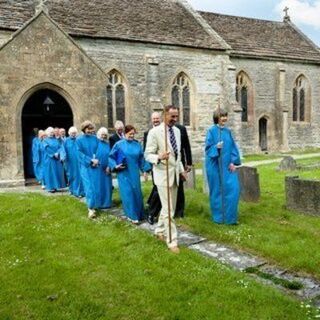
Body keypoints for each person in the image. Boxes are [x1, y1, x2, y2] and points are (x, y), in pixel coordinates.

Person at [145, 105, 186, 253]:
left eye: (176, 116)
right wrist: (159, 157)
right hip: (162, 175)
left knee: (169, 208)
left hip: (174, 175)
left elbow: (178, 154)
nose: (175, 119)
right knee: (169, 211)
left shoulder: (177, 131)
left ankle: (159, 231)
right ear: (164, 116)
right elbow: (147, 154)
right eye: (172, 116)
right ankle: (171, 241)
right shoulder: (154, 132)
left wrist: (181, 170)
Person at [205, 108, 241, 225]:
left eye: (225, 116)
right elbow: (208, 149)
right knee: (217, 191)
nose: (224, 118)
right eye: (222, 116)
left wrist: (233, 162)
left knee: (233, 189)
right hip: (215, 166)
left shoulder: (227, 132)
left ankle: (230, 218)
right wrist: (216, 147)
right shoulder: (211, 131)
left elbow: (233, 148)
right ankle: (219, 218)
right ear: (217, 118)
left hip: (227, 166)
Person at [109, 125, 151, 224]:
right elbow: (111, 157)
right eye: (130, 134)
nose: (132, 136)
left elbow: (141, 159)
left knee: (136, 193)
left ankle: (139, 214)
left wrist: (145, 170)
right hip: (123, 173)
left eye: (133, 134)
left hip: (134, 173)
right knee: (127, 193)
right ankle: (131, 215)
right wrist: (115, 166)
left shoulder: (137, 145)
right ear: (125, 133)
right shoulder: (118, 144)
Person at [76, 120, 101, 219]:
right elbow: (79, 154)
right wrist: (90, 161)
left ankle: (95, 204)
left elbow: (98, 150)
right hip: (86, 167)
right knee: (89, 187)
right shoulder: (79, 140)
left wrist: (97, 160)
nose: (90, 131)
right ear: (84, 129)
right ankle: (90, 209)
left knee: (95, 186)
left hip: (95, 166)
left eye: (92, 129)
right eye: (88, 129)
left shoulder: (95, 139)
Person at [143, 112, 162, 224]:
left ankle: (152, 207)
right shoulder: (147, 133)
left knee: (160, 189)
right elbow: (146, 152)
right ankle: (151, 213)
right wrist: (146, 168)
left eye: (157, 118)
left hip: (166, 165)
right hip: (155, 165)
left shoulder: (166, 131)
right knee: (157, 188)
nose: (155, 120)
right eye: (154, 118)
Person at [174, 123, 193, 218]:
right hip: (166, 162)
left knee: (180, 187)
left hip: (179, 162)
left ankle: (179, 212)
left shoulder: (181, 129)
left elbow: (186, 146)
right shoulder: (161, 129)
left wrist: (189, 162)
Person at [42, 127, 66, 192]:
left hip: (57, 158)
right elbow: (46, 148)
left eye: (52, 132)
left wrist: (58, 153)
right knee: (50, 173)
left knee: (57, 172)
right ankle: (51, 188)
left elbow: (60, 147)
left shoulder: (56, 140)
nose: (51, 134)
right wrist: (53, 154)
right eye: (50, 132)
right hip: (49, 159)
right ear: (47, 133)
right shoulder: (45, 140)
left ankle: (56, 186)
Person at [64, 127, 85, 198]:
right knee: (71, 176)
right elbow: (63, 150)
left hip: (79, 161)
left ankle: (79, 192)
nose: (73, 134)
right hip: (70, 162)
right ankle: (71, 190)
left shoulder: (79, 140)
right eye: (72, 133)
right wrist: (63, 157)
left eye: (75, 133)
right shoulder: (66, 141)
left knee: (78, 176)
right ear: (69, 133)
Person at [96, 127, 113, 209]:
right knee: (99, 185)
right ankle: (99, 203)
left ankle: (107, 203)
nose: (103, 136)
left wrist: (109, 166)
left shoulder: (107, 144)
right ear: (99, 135)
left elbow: (110, 156)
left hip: (107, 168)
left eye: (105, 135)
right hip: (98, 168)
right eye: (102, 135)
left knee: (107, 186)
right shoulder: (96, 143)